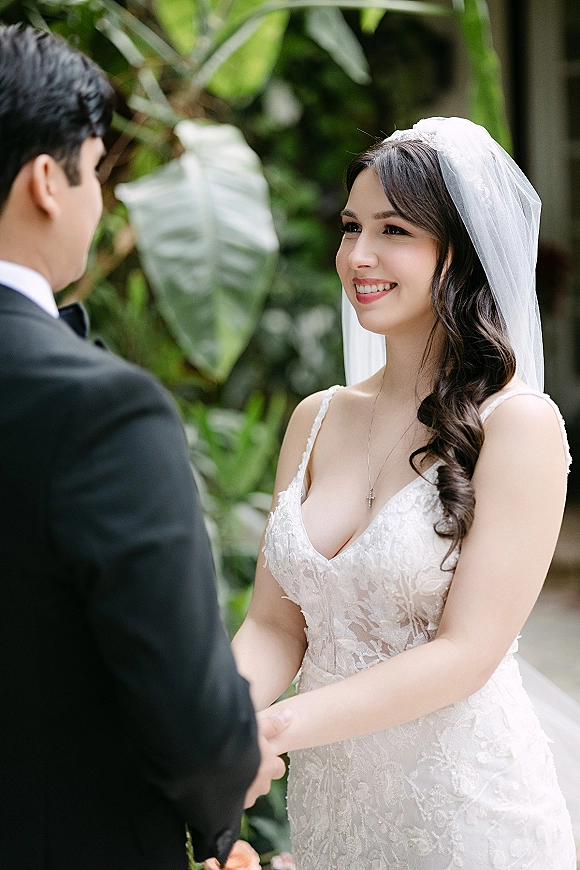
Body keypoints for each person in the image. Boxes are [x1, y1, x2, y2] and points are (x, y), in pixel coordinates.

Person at [232, 117, 579, 868]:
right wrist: (214, 716)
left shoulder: (519, 428)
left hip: (466, 821)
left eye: (394, 231)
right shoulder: (317, 417)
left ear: (461, 254)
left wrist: (271, 731)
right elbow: (273, 625)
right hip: (336, 819)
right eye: (351, 227)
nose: (359, 255)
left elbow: (466, 654)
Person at [0, 24, 288, 870]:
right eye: (98, 168)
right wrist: (231, 782)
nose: (105, 201)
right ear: (48, 181)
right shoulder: (99, 410)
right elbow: (194, 722)